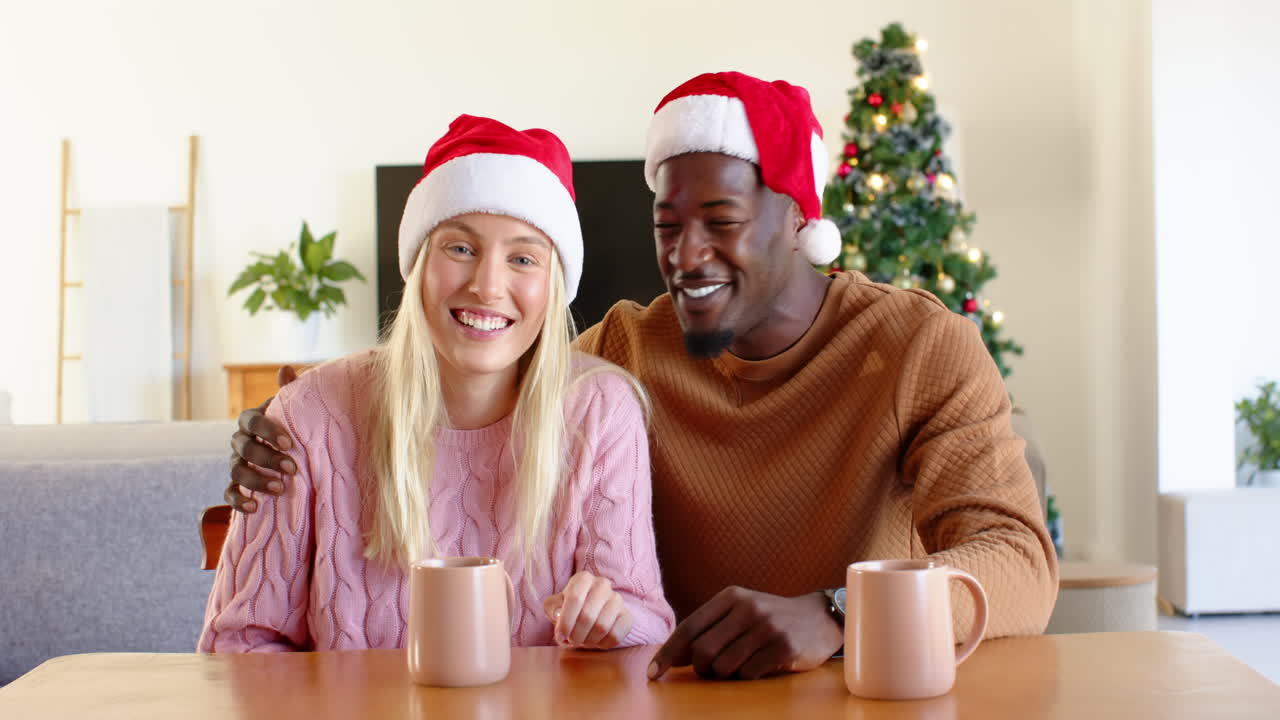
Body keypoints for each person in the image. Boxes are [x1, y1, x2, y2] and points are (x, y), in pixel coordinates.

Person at [224, 73, 1058, 679]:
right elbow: (471, 389)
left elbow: (1019, 562)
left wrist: (837, 612)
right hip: (683, 697)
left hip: (856, 694)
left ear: (802, 222)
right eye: (669, 224)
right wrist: (285, 427)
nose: (684, 255)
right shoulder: (624, 348)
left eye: (720, 221)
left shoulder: (919, 347)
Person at [200, 115, 674, 653]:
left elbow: (645, 619)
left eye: (523, 258)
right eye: (461, 249)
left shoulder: (600, 411)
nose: (488, 286)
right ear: (418, 264)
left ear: (553, 286)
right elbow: (236, 651)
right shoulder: (309, 416)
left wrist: (614, 621)